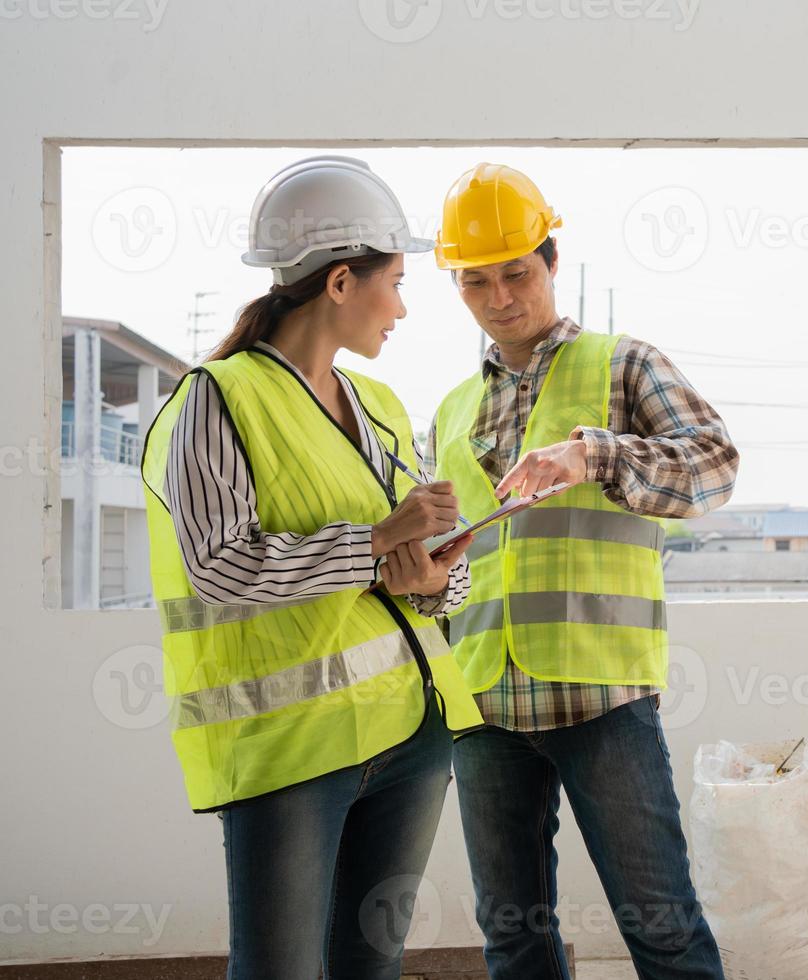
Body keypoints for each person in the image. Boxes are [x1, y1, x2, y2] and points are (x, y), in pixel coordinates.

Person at [139, 155, 483, 979]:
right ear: (339, 281)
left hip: (413, 729)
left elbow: (438, 565)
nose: (402, 307)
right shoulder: (216, 398)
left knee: (370, 966)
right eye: (395, 282)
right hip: (292, 745)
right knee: (281, 969)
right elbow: (219, 566)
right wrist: (371, 543)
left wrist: (436, 578)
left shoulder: (382, 407)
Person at [428, 162, 739, 979]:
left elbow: (713, 468)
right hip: (485, 705)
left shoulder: (623, 365)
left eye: (517, 273)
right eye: (476, 281)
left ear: (551, 262)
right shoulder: (452, 409)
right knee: (513, 938)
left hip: (601, 696)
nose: (500, 298)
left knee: (662, 927)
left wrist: (593, 453)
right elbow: (470, 563)